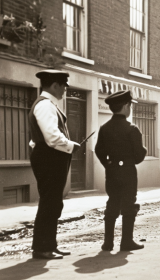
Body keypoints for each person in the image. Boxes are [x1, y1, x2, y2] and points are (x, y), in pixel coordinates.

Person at [29, 70, 80, 259]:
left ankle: (49, 245)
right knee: (50, 203)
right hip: (49, 159)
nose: (66, 89)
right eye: (64, 85)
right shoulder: (45, 105)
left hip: (49, 158)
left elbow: (37, 139)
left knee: (53, 203)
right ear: (55, 85)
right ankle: (42, 248)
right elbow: (51, 137)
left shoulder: (48, 104)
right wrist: (70, 145)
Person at [95, 90, 148, 252]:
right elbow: (139, 155)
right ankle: (126, 242)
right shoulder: (132, 129)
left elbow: (99, 151)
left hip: (111, 172)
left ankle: (108, 243)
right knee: (129, 205)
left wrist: (109, 164)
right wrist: (140, 154)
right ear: (126, 106)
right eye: (130, 105)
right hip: (127, 171)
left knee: (112, 203)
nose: (130, 108)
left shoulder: (104, 128)